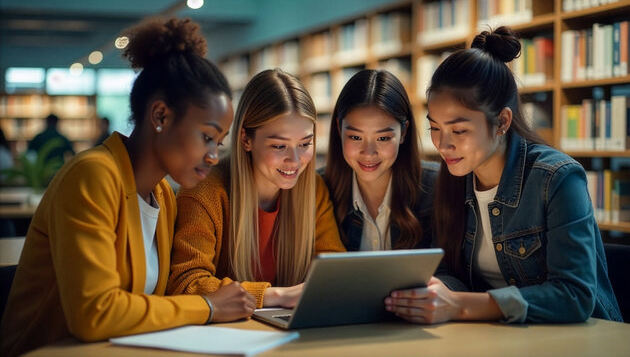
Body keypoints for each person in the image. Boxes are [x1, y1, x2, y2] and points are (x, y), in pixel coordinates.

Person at [0, 18, 256, 357]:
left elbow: (153, 303)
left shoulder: (163, 195)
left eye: (219, 143)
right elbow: (95, 314)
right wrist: (207, 306)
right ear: (161, 116)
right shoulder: (93, 175)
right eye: (207, 137)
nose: (212, 156)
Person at [385, 26, 622, 324]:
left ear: (501, 122)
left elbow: (574, 295)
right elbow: (451, 271)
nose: (443, 145)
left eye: (459, 130)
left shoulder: (557, 179)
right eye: (434, 128)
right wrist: (437, 291)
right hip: (499, 338)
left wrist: (460, 305)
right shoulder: (452, 179)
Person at [168, 69, 346, 308]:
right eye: (279, 146)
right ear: (246, 140)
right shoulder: (204, 190)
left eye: (305, 143)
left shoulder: (314, 189)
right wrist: (276, 296)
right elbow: (186, 283)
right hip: (227, 334)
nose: (294, 160)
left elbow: (335, 270)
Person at [322, 69, 437, 251]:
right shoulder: (320, 189)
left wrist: (443, 281)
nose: (368, 153)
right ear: (339, 129)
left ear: (404, 132)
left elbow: (453, 272)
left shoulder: (436, 186)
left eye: (383, 138)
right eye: (355, 137)